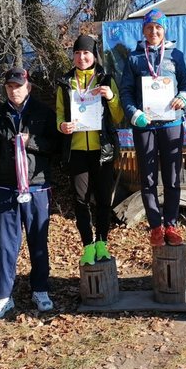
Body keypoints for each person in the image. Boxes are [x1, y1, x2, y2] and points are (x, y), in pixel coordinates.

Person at [0, 67, 58, 319]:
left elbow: (56, 147)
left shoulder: (44, 113)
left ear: (28, 87)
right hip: (6, 187)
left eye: (18, 86)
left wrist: (31, 142)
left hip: (37, 186)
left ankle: (40, 289)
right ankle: (3, 296)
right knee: (5, 245)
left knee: (38, 241)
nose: (14, 90)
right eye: (10, 87)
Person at [120, 9, 186, 246]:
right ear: (143, 30)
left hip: (171, 123)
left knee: (172, 178)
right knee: (148, 178)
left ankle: (171, 224)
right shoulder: (134, 58)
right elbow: (126, 92)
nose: (154, 32)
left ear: (164, 30)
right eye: (149, 28)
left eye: (158, 28)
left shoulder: (176, 56)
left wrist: (183, 97)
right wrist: (134, 113)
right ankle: (155, 227)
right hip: (145, 126)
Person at [57, 34, 124, 265]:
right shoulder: (65, 82)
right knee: (80, 200)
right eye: (77, 53)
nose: (81, 57)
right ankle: (87, 246)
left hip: (102, 150)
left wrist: (111, 96)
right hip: (76, 150)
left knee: (104, 200)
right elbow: (59, 112)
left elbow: (118, 116)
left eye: (86, 53)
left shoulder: (105, 78)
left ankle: (102, 243)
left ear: (94, 55)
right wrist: (61, 125)